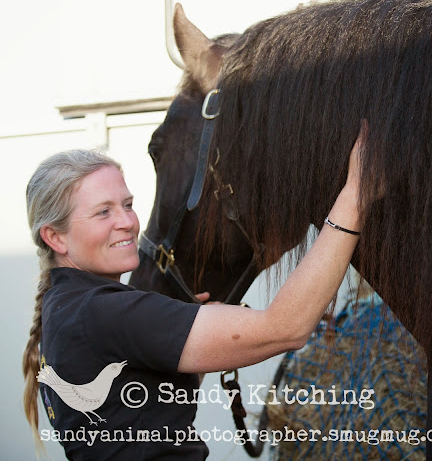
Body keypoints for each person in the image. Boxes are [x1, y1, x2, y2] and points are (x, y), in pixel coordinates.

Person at [22, 125, 367, 459]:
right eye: (103, 212)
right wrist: (354, 196)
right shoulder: (103, 312)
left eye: (127, 204)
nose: (127, 221)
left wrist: (183, 334)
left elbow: (140, 411)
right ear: (56, 237)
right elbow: (286, 328)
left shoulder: (65, 308)